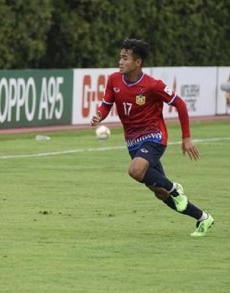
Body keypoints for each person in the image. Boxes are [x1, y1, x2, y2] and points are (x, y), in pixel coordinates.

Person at [90, 38, 215, 237]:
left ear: (137, 62)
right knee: (160, 193)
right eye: (120, 57)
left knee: (135, 170)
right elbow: (106, 104)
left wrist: (187, 138)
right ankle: (203, 218)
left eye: (125, 58)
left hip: (154, 137)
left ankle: (175, 188)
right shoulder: (114, 80)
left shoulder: (152, 85)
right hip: (132, 142)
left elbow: (180, 104)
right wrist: (99, 115)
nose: (120, 61)